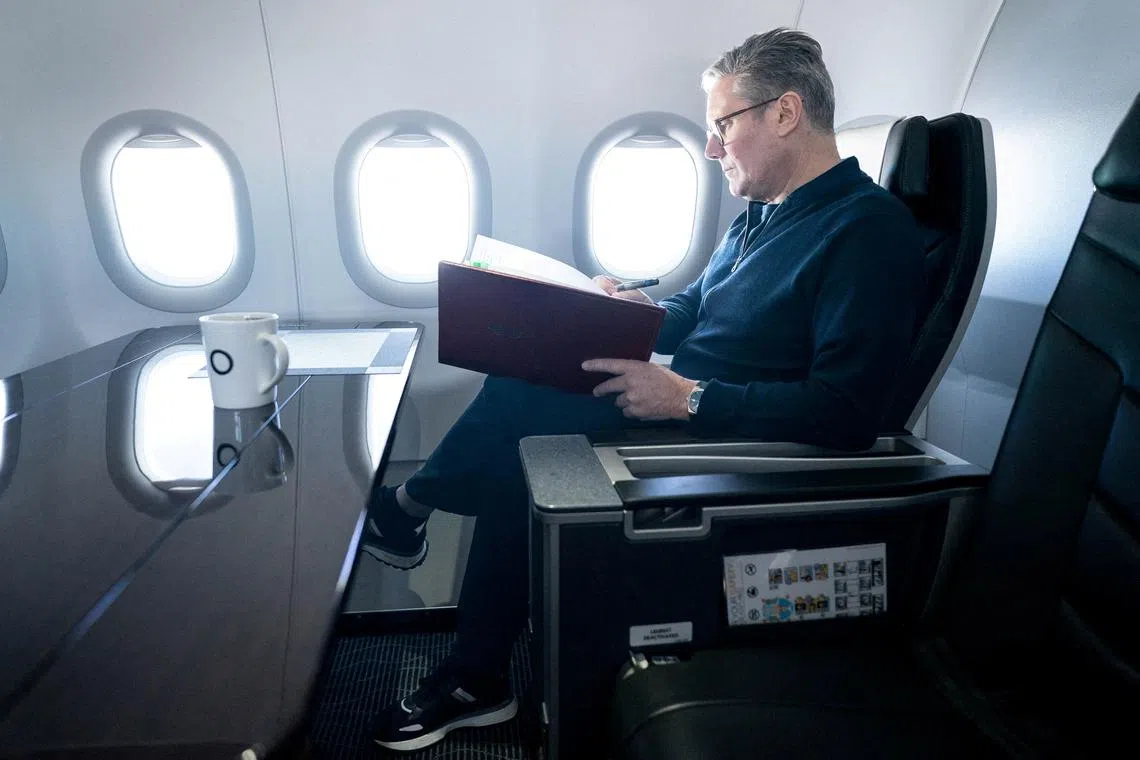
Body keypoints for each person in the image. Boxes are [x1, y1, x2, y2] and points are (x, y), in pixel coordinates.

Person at [367, 27, 924, 752]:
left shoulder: (867, 231)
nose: (713, 150)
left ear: (784, 114)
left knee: (524, 409)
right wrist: (623, 308)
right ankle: (463, 641)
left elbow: (849, 410)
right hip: (684, 401)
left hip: (727, 435)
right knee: (525, 379)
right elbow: (696, 310)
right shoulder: (761, 216)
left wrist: (686, 397)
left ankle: (425, 553)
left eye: (723, 126)